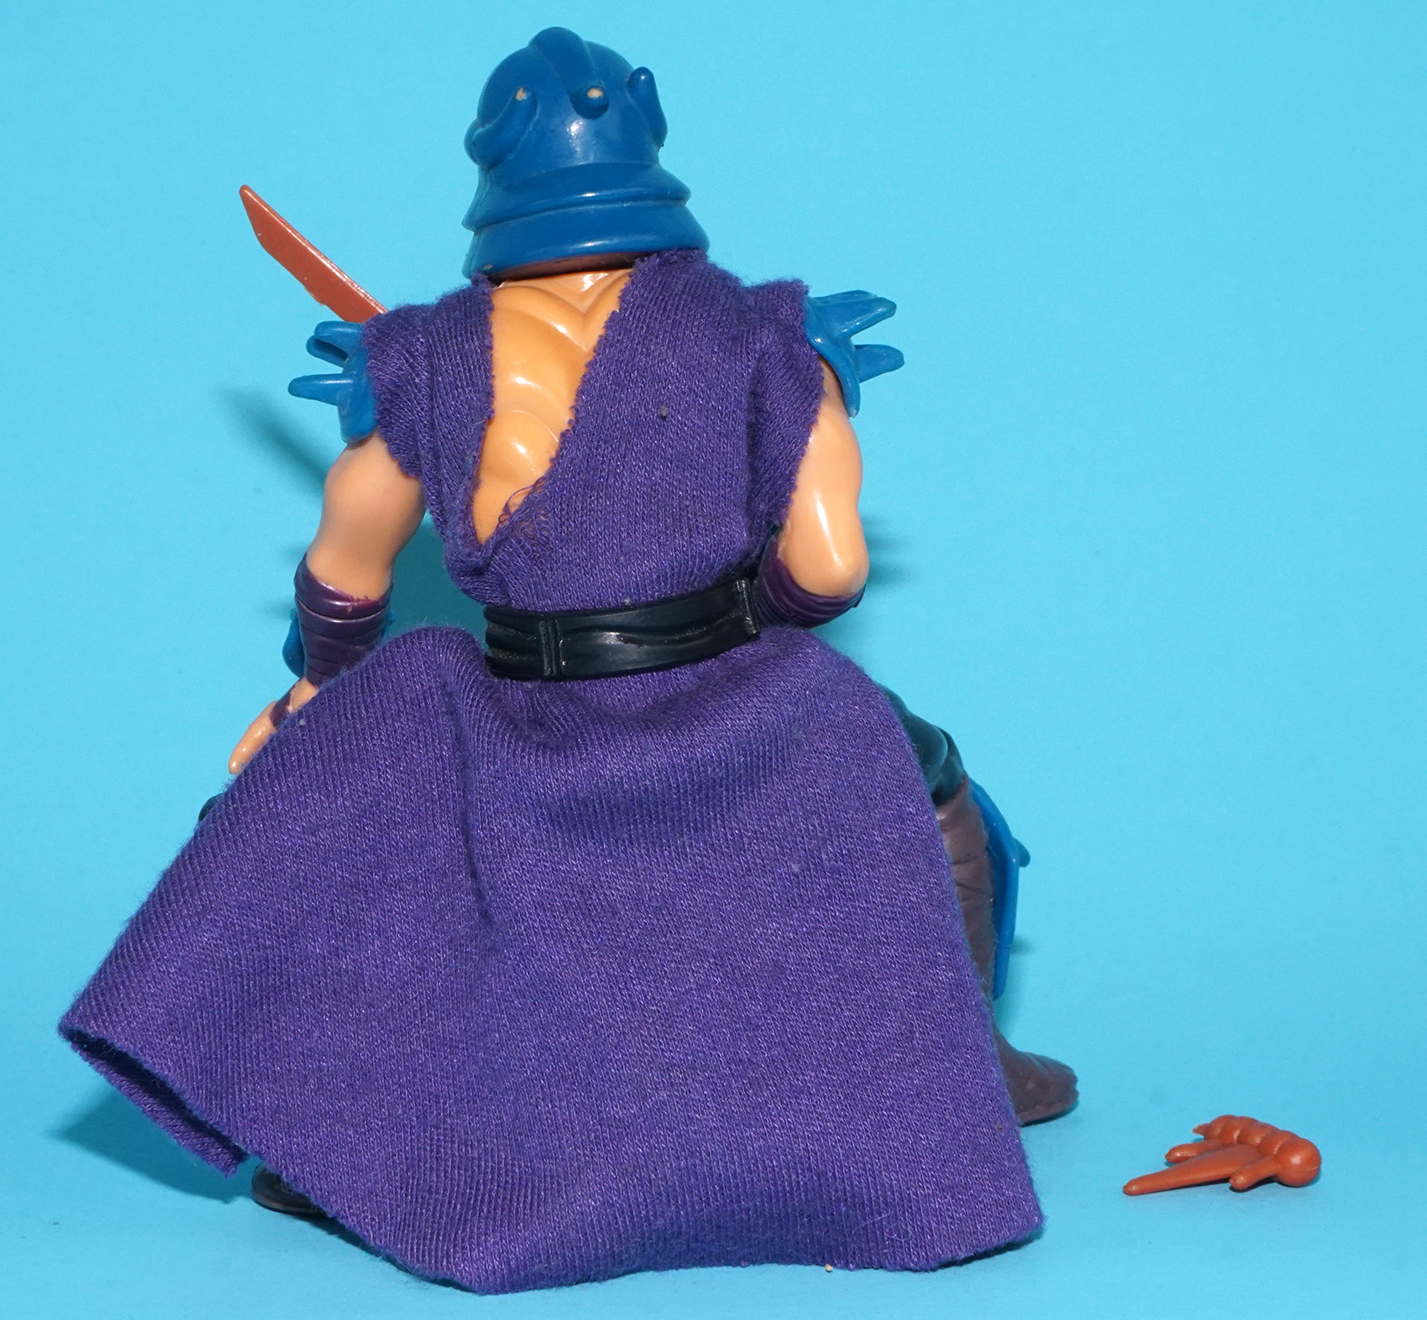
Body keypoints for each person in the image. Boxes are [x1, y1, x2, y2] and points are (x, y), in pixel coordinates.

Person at [61, 27, 1073, 1293]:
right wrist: (736, 611)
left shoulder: (423, 356)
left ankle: (330, 1137)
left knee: (343, 804)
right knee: (933, 787)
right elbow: (828, 572)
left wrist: (315, 687)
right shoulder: (768, 339)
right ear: (649, 144)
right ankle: (964, 1070)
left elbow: (345, 568)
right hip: (722, 678)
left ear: (490, 169)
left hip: (511, 695)